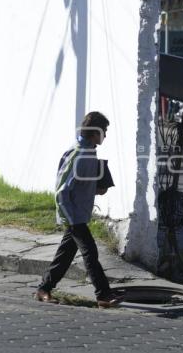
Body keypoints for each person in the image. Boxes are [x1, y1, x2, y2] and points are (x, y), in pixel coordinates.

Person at [35, 111, 123, 308]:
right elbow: (61, 191)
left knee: (65, 255)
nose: (106, 136)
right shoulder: (77, 155)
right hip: (74, 216)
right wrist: (71, 219)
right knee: (90, 252)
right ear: (95, 133)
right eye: (104, 131)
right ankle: (103, 294)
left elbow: (82, 184)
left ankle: (44, 289)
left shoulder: (90, 151)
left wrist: (98, 187)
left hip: (80, 214)